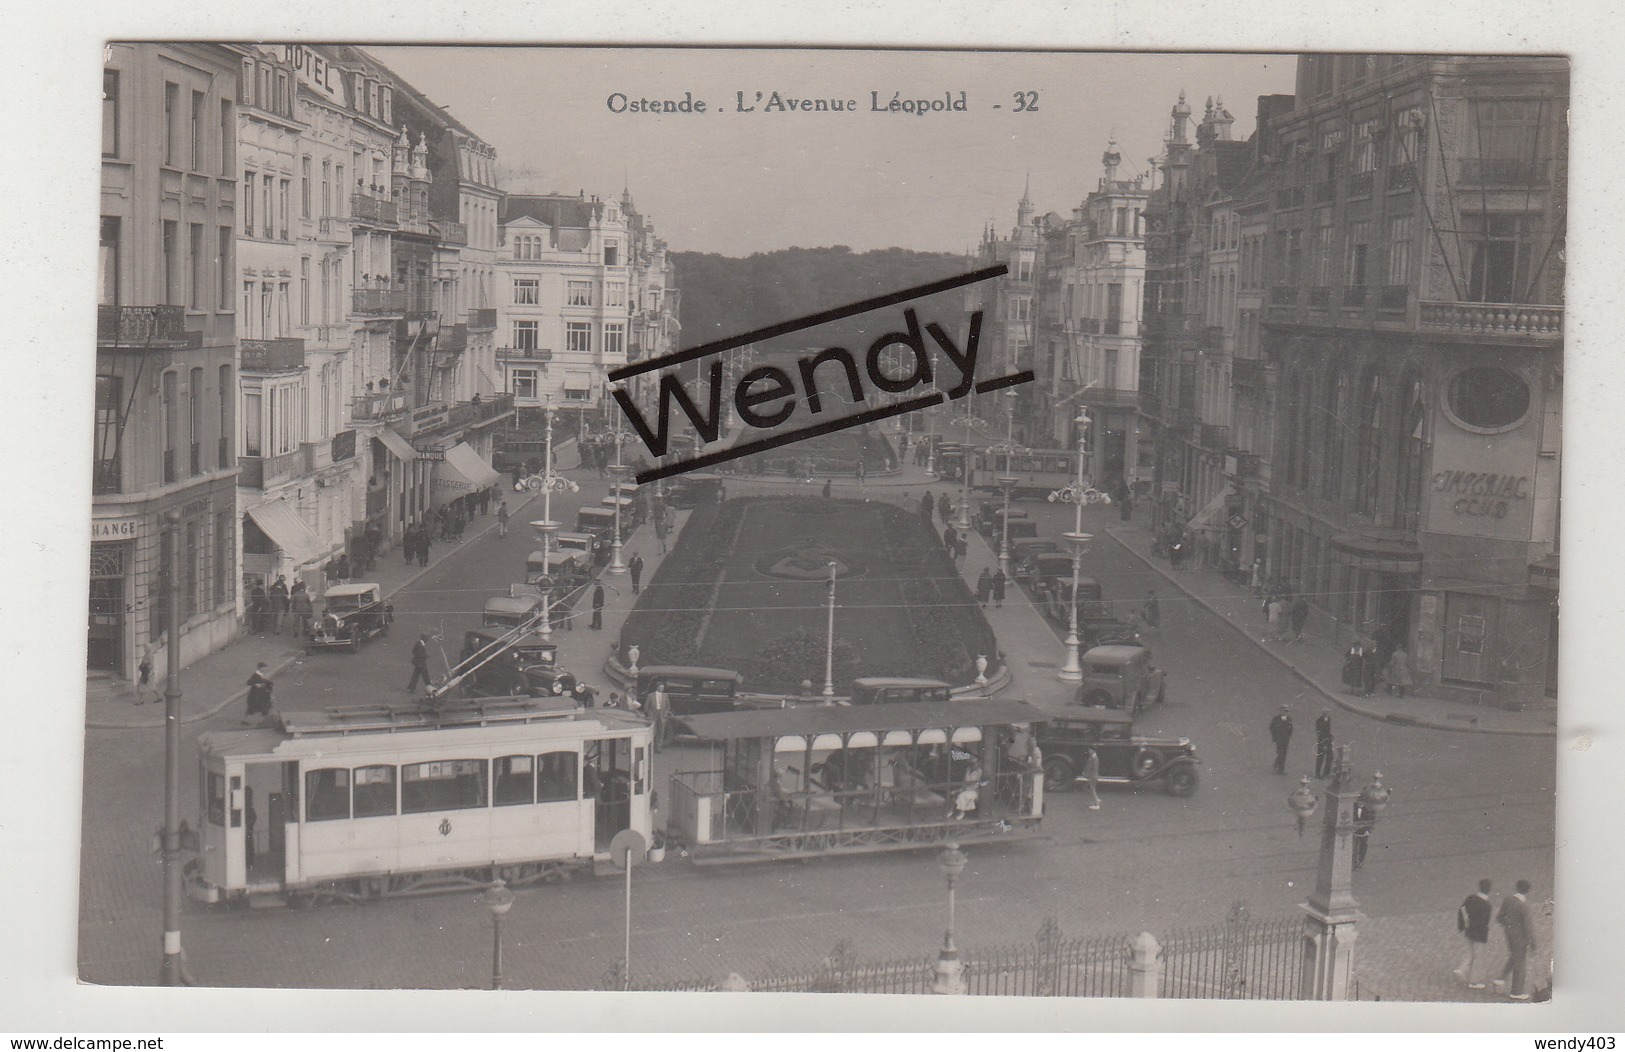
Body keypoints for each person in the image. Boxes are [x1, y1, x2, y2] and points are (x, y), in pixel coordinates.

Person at [1494, 879, 1536, 1000]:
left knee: (1514, 957)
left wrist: (1509, 927)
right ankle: (1516, 992)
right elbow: (1528, 928)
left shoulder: (1507, 900)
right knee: (1520, 964)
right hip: (1521, 939)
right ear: (1528, 891)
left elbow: (1499, 917)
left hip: (1509, 935)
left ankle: (1500, 978)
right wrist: (1533, 944)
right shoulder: (1524, 906)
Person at [1455, 879, 1494, 989]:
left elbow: (1462, 910)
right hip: (1479, 934)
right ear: (1489, 890)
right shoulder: (1487, 905)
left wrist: (1463, 925)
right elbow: (1484, 922)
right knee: (1478, 957)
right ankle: (1474, 981)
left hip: (1468, 931)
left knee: (1469, 953)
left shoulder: (1471, 898)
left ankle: (1462, 969)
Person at [646, 680, 671, 750]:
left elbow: (668, 706)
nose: (662, 689)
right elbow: (646, 706)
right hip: (653, 714)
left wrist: (665, 713)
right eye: (660, 688)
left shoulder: (665, 695)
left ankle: (658, 746)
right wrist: (649, 714)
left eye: (663, 688)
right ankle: (650, 745)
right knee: (653, 730)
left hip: (661, 714)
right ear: (657, 688)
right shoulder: (650, 695)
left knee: (661, 730)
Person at [1268, 705, 1293, 775]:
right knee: (1280, 754)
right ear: (1281, 711)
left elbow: (1291, 728)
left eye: (1287, 711)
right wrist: (1275, 737)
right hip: (1278, 739)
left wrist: (1288, 736)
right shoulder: (1276, 719)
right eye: (1284, 711)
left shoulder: (1289, 719)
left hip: (1286, 739)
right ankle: (1277, 767)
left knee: (1284, 754)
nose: (1285, 712)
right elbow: (1271, 727)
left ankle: (1280, 769)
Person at [1314, 710, 1334, 779]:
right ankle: (1317, 774)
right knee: (1321, 757)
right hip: (1322, 741)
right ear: (1323, 713)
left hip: (1328, 741)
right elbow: (1320, 733)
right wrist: (1324, 744)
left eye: (1328, 713)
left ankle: (1326, 773)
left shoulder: (1328, 719)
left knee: (1330, 757)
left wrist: (1331, 736)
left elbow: (1328, 730)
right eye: (1325, 713)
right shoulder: (1319, 721)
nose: (1327, 714)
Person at [1082, 745, 1102, 810]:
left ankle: (1097, 804)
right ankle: (1096, 800)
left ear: (1093, 750)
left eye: (1090, 750)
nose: (1089, 751)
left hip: (1092, 775)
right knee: (1091, 788)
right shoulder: (1093, 757)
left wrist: (1094, 775)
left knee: (1092, 789)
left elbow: (1095, 767)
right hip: (1091, 775)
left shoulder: (1094, 758)